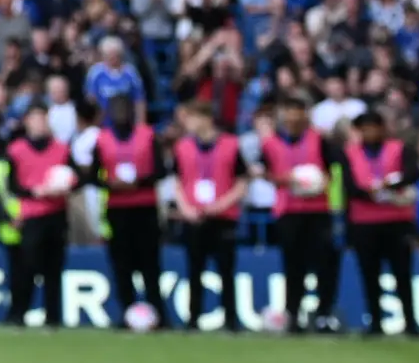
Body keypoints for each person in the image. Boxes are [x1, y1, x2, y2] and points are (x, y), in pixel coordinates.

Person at [252, 96, 337, 334]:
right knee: (293, 266)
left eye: (298, 111)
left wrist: (320, 183)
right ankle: (293, 314)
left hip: (318, 209)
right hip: (288, 210)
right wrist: (288, 180)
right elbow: (264, 172)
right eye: (289, 111)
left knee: (324, 264)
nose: (294, 117)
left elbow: (332, 170)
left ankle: (324, 314)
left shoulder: (319, 139)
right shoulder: (271, 143)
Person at [83, 92, 163, 328]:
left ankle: (157, 313)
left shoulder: (148, 136)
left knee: (150, 264)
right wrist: (112, 185)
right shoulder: (103, 139)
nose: (121, 113)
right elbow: (92, 176)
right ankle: (127, 312)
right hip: (117, 209)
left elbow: (161, 171)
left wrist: (138, 182)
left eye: (124, 108)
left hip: (144, 207)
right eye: (116, 109)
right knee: (121, 265)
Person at [167, 99, 247, 332]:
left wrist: (221, 205)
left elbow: (242, 183)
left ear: (206, 119)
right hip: (194, 217)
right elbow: (178, 182)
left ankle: (231, 320)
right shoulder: (182, 147)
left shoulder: (231, 145)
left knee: (226, 271)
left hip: (223, 217)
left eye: (192, 118)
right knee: (194, 270)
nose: (188, 123)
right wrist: (186, 208)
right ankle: (193, 319)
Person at [341, 105, 419, 335]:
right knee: (369, 274)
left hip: (397, 219)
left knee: (402, 273)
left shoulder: (399, 148)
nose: (369, 133)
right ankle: (375, 321)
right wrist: (372, 194)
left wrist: (390, 187)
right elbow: (349, 185)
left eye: (373, 128)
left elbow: (413, 173)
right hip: (364, 221)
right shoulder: (349, 152)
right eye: (364, 129)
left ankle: (410, 322)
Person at [0, 113, 76, 329]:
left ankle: (52, 317)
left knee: (54, 269)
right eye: (35, 120)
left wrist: (65, 185)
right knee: (28, 267)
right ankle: (19, 314)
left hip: (57, 214)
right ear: (27, 123)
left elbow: (76, 177)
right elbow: (12, 186)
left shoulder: (61, 149)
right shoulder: (16, 150)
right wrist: (35, 191)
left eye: (43, 120)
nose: (40, 124)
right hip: (32, 215)